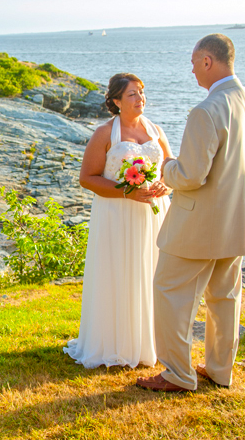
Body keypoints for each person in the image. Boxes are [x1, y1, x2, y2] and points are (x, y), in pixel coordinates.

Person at [135, 34, 245, 392]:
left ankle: (178, 374)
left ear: (207, 61)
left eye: (194, 62)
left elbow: (191, 175)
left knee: (170, 292)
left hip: (198, 224)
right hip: (237, 220)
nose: (192, 69)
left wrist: (166, 168)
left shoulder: (206, 110)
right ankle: (219, 369)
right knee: (224, 298)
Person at [63, 73, 173, 369]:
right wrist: (127, 192)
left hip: (152, 213)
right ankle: (115, 342)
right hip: (117, 214)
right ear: (115, 101)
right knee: (119, 272)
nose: (140, 99)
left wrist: (165, 184)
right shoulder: (104, 134)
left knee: (152, 272)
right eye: (132, 95)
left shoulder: (156, 130)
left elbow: (170, 169)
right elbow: (87, 178)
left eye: (141, 92)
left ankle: (151, 342)